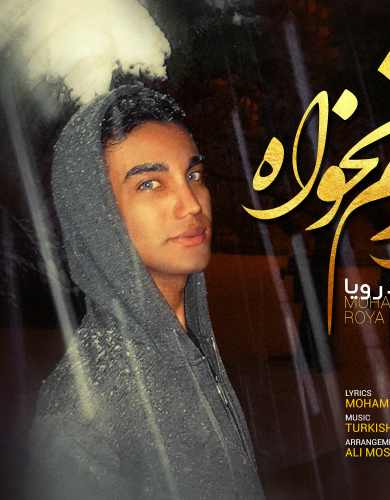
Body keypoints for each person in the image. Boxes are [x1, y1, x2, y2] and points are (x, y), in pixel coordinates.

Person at [28, 84, 265, 500]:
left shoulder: (191, 348)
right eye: (151, 184)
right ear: (97, 215)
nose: (191, 204)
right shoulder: (82, 416)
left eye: (193, 175)